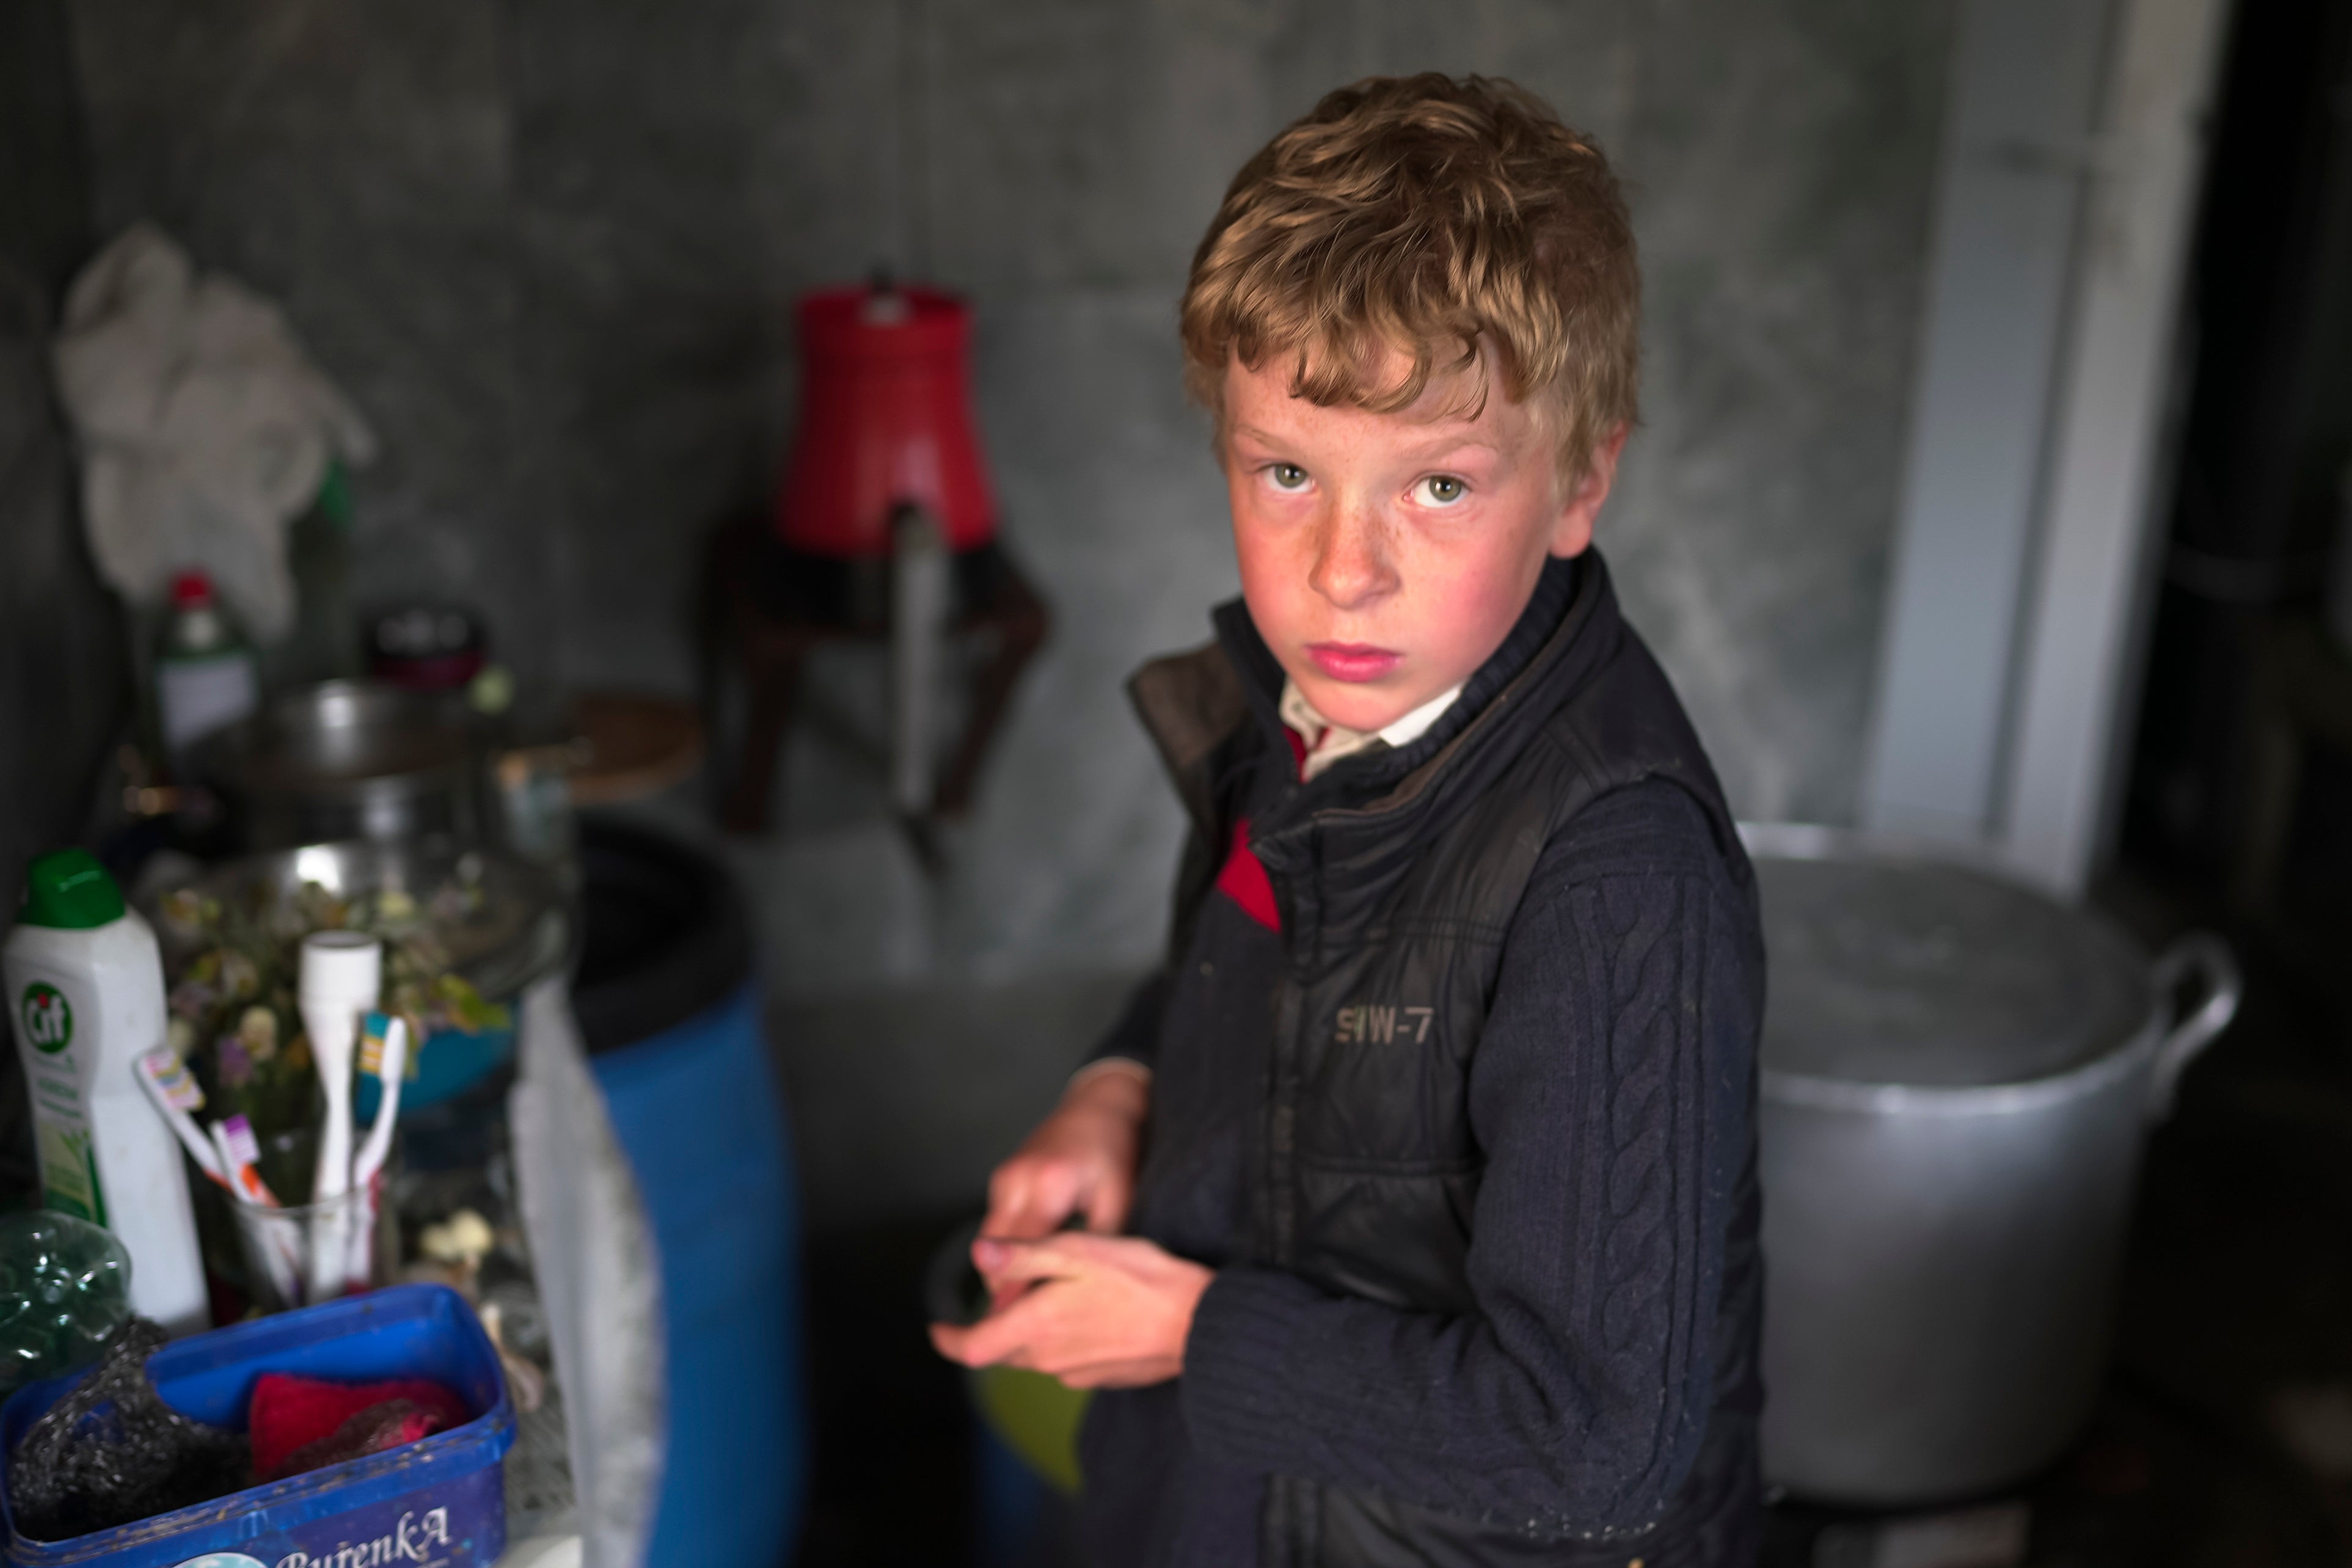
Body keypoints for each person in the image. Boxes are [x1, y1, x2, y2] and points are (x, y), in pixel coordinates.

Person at [932, 73, 1764, 1567]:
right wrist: (1120, 1079)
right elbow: (1263, 954)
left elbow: (1594, 1443)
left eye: (1438, 484)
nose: (1341, 572)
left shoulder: (1614, 880)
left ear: (1580, 481)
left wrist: (1189, 1333)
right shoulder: (1321, 712)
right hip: (1231, 1506)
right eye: (1287, 473)